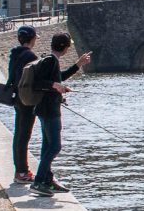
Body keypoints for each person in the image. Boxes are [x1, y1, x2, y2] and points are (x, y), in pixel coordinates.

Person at [29, 33, 91, 197]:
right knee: (55, 147)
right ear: (64, 47)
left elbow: (58, 78)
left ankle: (46, 180)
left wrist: (78, 65)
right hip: (49, 111)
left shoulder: (52, 60)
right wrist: (56, 86)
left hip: (45, 109)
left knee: (46, 147)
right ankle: (38, 182)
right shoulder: (50, 60)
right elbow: (39, 83)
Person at [7, 26, 40, 184]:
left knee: (18, 134)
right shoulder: (31, 56)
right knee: (24, 136)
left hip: (16, 98)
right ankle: (22, 171)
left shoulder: (15, 54)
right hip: (27, 99)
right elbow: (34, 79)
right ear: (32, 39)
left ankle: (19, 170)